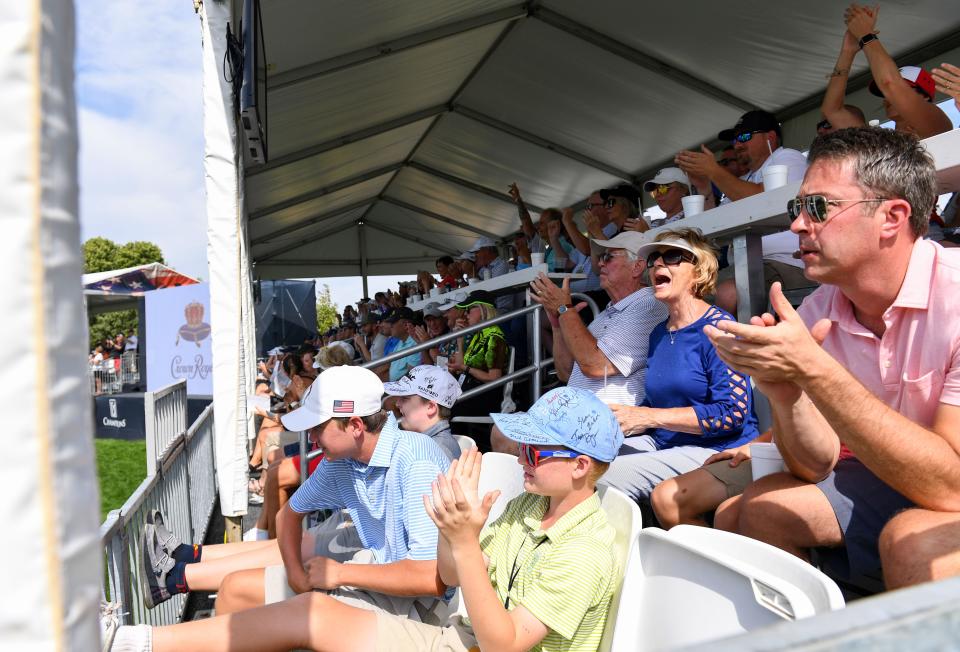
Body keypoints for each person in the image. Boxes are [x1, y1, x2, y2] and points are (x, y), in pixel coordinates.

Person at [105, 387, 623, 652]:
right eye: (523, 447)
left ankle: (133, 638)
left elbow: (502, 643)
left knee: (303, 608)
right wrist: (453, 529)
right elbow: (454, 572)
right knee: (308, 609)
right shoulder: (530, 506)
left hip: (467, 638)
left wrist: (463, 543)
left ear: (580, 466)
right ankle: (138, 641)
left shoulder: (585, 550)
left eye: (537, 452)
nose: (522, 456)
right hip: (460, 633)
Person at [704, 127, 960, 588]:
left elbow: (951, 489)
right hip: (896, 475)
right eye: (795, 209)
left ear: (892, 217)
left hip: (949, 481)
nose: (798, 225)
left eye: (818, 207)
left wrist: (814, 370)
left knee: (911, 540)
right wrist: (786, 396)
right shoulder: (820, 307)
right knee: (758, 512)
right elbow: (813, 466)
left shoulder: (956, 296)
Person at [133, 366, 452, 619]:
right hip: (383, 581)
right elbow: (289, 514)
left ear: (355, 426)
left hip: (418, 610)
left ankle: (146, 620)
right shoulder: (344, 460)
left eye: (317, 427)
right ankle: (175, 576)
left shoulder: (417, 461)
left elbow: (429, 579)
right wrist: (298, 577)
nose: (311, 438)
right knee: (241, 587)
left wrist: (340, 574)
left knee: (236, 590)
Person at [600, 228, 760, 503]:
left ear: (699, 272)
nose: (659, 264)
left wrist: (647, 417)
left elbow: (732, 415)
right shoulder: (659, 333)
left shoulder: (718, 329)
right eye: (654, 260)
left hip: (717, 449)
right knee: (577, 460)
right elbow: (658, 404)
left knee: (599, 476)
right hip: (663, 443)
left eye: (672, 256)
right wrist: (620, 420)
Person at [677, 109, 810, 315]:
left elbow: (762, 197)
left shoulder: (787, 157)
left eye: (744, 137)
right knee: (683, 288)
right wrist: (704, 187)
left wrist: (714, 171)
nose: (737, 144)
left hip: (785, 262)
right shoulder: (744, 179)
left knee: (727, 293)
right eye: (735, 140)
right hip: (745, 266)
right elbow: (717, 223)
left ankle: (721, 346)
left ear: (770, 137)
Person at [530, 230, 667, 406]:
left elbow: (595, 366)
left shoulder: (649, 304)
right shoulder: (606, 313)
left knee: (501, 431)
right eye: (601, 257)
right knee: (500, 430)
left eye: (609, 257)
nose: (600, 263)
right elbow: (565, 372)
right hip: (578, 414)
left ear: (637, 267)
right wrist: (558, 323)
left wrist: (565, 310)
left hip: (606, 420)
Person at [821, 4, 952, 139]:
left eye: (905, 88)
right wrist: (847, 52)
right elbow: (831, 112)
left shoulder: (939, 122)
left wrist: (866, 35)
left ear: (924, 97)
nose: (888, 97)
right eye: (884, 94)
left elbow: (890, 84)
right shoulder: (883, 142)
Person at [447, 290, 508, 425]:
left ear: (483, 310)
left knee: (440, 409)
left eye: (469, 310)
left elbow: (494, 378)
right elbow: (462, 366)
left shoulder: (494, 337)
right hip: (469, 391)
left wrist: (464, 367)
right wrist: (460, 340)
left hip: (484, 396)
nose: (466, 314)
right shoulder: (478, 335)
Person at [384, 364, 462, 461]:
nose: (397, 404)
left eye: (405, 398)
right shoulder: (426, 443)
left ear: (430, 407)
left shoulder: (434, 453)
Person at [509, 182, 574, 272]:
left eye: (542, 223)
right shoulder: (550, 250)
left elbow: (556, 273)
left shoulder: (563, 247)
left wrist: (528, 258)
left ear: (555, 225)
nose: (538, 227)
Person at [384, 307, 421, 382]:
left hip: (404, 390)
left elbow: (412, 376)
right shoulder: (399, 343)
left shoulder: (415, 343)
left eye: (393, 323)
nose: (390, 326)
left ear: (405, 325)